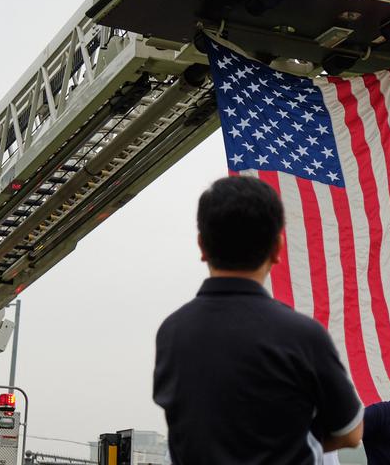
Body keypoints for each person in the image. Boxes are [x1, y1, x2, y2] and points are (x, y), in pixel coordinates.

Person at [153, 176, 364, 464]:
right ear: (278, 248)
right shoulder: (304, 336)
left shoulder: (171, 333)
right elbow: (350, 433)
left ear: (202, 246)